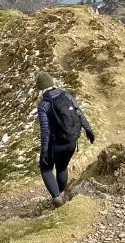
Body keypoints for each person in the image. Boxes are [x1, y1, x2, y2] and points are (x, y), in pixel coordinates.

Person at [35, 71, 94, 207]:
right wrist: (89, 130)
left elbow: (45, 131)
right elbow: (79, 114)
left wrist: (44, 151)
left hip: (55, 145)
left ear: (40, 88)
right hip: (72, 141)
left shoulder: (44, 105)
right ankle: (60, 193)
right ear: (52, 84)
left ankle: (57, 199)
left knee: (46, 169)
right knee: (62, 168)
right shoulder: (67, 95)